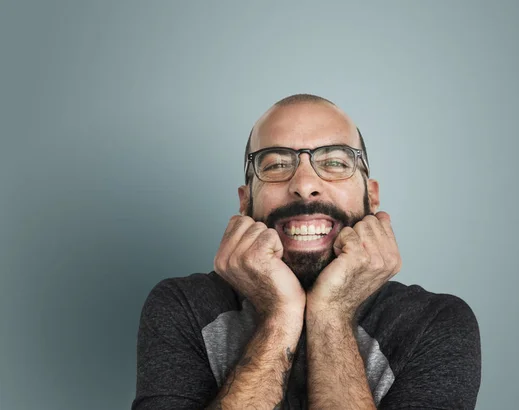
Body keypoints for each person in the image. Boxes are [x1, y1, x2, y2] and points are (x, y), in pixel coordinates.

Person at [131, 94, 482, 409]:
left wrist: (331, 313)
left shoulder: (435, 323)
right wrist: (281, 316)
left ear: (371, 197)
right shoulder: (184, 306)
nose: (304, 185)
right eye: (276, 165)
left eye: (334, 163)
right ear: (244, 202)